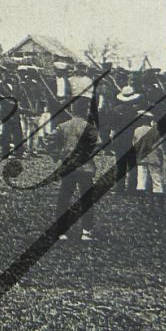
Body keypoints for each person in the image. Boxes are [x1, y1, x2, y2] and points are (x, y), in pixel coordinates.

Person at [51, 95, 100, 241]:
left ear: (72, 110)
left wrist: (58, 155)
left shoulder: (63, 126)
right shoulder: (90, 128)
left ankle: (61, 230)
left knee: (64, 197)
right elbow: (98, 145)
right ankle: (86, 231)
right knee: (86, 198)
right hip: (85, 168)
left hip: (68, 166)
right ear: (86, 111)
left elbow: (50, 140)